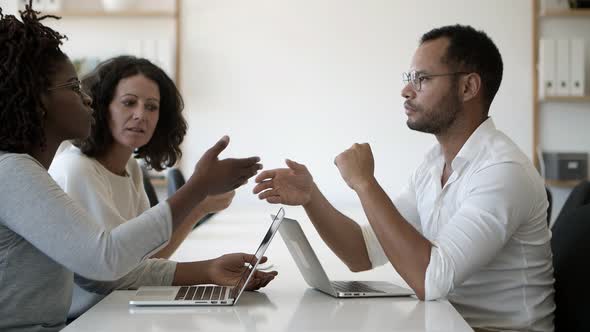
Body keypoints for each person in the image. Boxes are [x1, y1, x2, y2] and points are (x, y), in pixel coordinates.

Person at [253, 25, 554, 331]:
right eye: (409, 79)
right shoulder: (433, 164)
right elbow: (363, 253)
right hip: (445, 323)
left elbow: (430, 281)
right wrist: (311, 197)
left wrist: (365, 183)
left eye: (422, 79)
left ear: (468, 87)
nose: (406, 91)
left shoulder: (503, 172)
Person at [0, 3, 273, 331]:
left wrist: (206, 270)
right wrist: (197, 188)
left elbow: (99, 274)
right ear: (38, 100)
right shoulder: (13, 172)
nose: (88, 99)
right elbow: (107, 257)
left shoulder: (25, 171)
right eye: (74, 88)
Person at [48, 55, 269, 318]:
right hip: (86, 318)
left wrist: (200, 211)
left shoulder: (130, 168)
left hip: (117, 310)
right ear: (101, 107)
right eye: (129, 103)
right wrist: (205, 267)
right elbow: (109, 270)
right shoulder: (77, 169)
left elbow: (144, 259)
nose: (141, 115)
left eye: (151, 107)